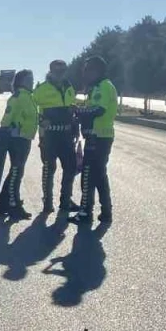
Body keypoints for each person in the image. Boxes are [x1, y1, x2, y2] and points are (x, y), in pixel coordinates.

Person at [71, 56, 117, 224]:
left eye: (88, 69)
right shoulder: (98, 86)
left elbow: (98, 110)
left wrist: (78, 112)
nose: (85, 73)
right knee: (99, 176)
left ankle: (85, 213)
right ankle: (106, 212)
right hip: (98, 136)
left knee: (88, 176)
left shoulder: (103, 87)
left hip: (98, 137)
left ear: (97, 70)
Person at [33, 59, 78, 212]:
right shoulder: (42, 89)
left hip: (66, 134)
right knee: (49, 168)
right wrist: (40, 119)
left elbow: (72, 109)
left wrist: (75, 127)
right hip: (49, 135)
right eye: (57, 70)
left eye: (63, 70)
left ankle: (66, 200)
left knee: (70, 167)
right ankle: (47, 201)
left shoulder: (69, 87)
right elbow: (31, 107)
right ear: (50, 71)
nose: (60, 73)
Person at [0, 69, 38, 219]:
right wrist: (3, 136)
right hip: (17, 139)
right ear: (21, 81)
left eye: (32, 79)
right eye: (29, 79)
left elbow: (28, 117)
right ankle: (13, 206)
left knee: (15, 172)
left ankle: (4, 201)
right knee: (16, 173)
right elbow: (7, 117)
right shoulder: (18, 97)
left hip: (25, 138)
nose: (32, 82)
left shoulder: (29, 97)